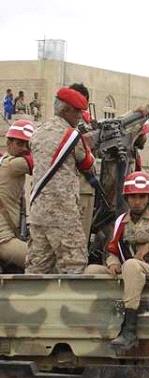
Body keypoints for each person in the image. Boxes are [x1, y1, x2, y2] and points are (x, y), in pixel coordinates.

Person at [84, 171, 149, 351]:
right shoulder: (122, 222)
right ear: (127, 198)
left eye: (141, 197)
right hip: (127, 268)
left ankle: (129, 330)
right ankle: (97, 322)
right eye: (133, 197)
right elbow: (112, 248)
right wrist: (112, 262)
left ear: (148, 198)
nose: (137, 201)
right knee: (91, 270)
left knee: (131, 265)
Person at [26, 84, 96, 274]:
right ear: (66, 110)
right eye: (78, 112)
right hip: (63, 213)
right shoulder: (72, 136)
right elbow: (89, 165)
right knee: (74, 265)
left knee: (37, 268)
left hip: (38, 212)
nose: (80, 116)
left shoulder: (38, 132)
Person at [0, 120, 35, 269]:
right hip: (4, 239)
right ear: (9, 143)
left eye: (27, 145)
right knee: (41, 264)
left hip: (10, 234)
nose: (24, 149)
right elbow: (45, 160)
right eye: (19, 144)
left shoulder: (4, 161)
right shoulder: (14, 164)